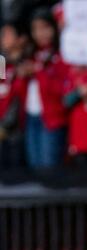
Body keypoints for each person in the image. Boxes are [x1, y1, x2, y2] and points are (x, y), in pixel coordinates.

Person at [20, 7, 70, 169]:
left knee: (49, 168)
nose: (40, 33)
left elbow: (62, 90)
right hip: (30, 117)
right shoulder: (31, 54)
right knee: (34, 167)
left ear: (54, 27)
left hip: (52, 120)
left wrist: (39, 71)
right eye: (35, 29)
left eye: (44, 27)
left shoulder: (62, 55)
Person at [0, 19, 29, 169]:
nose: (3, 38)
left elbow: (18, 96)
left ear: (21, 38)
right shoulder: (2, 62)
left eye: (7, 34)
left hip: (19, 127)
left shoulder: (28, 62)